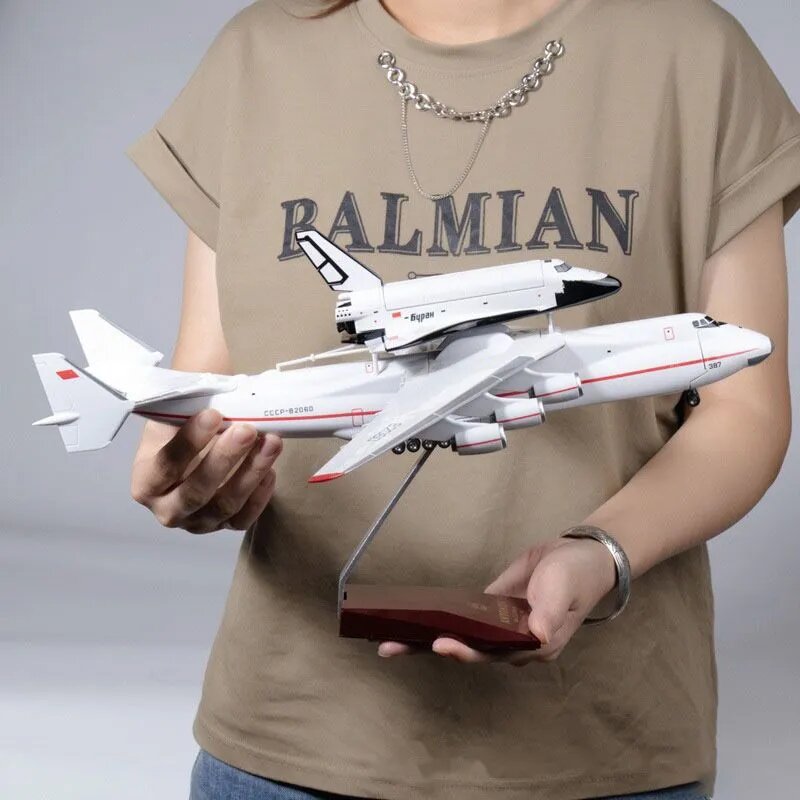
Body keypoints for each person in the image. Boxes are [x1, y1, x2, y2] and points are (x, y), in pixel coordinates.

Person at [126, 1, 800, 798]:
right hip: (291, 740)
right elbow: (210, 391)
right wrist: (189, 478)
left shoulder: (694, 52)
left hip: (603, 747)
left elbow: (744, 411)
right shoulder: (256, 58)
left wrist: (602, 550)